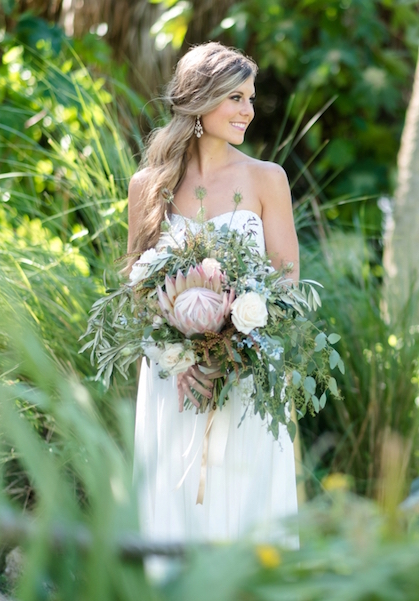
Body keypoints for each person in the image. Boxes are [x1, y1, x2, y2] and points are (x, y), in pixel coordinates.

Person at [126, 43, 299, 578]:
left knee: (244, 506)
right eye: (235, 97)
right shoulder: (148, 187)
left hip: (244, 373)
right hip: (171, 381)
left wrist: (231, 346)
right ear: (200, 101)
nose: (248, 109)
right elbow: (136, 287)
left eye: (250, 98)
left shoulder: (267, 178)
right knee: (175, 508)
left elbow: (286, 278)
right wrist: (181, 359)